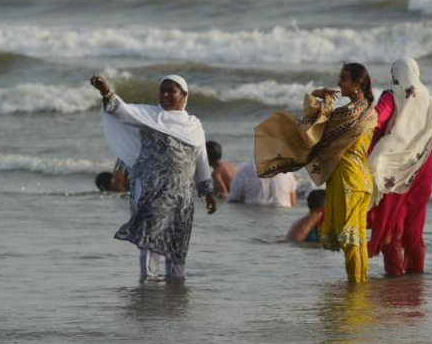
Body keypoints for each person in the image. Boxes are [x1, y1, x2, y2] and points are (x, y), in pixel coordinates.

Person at [255, 63, 377, 283]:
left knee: (351, 241)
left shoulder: (350, 113)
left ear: (359, 83)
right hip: (362, 180)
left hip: (347, 180)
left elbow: (315, 132)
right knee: (357, 238)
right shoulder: (370, 111)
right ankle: (360, 288)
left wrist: (317, 99)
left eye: (344, 79)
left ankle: (355, 289)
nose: (340, 83)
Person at [90, 73, 216, 282]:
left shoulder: (194, 126)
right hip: (151, 191)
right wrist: (105, 91)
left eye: (171, 91)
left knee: (177, 244)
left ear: (184, 95)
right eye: (162, 90)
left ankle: (176, 291)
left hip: (182, 197)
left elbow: (201, 159)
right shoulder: (148, 116)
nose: (165, 95)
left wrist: (208, 192)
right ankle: (147, 287)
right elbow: (121, 112)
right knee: (151, 241)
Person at [366, 57, 432, 276]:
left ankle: (394, 277)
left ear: (395, 75)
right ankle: (415, 275)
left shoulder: (393, 95)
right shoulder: (430, 102)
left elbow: (376, 121)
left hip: (396, 166)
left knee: (392, 224)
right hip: (424, 166)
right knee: (415, 225)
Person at [227, 162, 297, 207]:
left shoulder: (244, 171)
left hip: (253, 220)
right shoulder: (287, 173)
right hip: (282, 220)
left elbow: (233, 200)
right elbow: (293, 203)